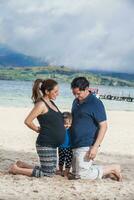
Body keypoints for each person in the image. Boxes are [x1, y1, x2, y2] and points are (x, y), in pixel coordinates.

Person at [8, 79, 65, 177]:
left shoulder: (51, 102)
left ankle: (23, 165)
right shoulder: (41, 104)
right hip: (45, 143)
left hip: (52, 144)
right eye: (55, 91)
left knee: (51, 170)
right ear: (47, 91)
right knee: (48, 174)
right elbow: (28, 121)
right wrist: (37, 129)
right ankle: (16, 169)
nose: (58, 93)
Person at [70, 77, 122, 181]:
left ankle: (113, 168)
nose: (76, 96)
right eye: (74, 93)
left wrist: (95, 147)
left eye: (78, 93)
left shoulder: (96, 103)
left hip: (87, 143)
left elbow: (104, 126)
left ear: (86, 89)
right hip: (75, 143)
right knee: (75, 174)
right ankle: (109, 173)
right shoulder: (75, 101)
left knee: (82, 175)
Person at [58, 112, 73, 178]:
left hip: (69, 147)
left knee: (68, 161)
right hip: (61, 147)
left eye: (69, 124)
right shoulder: (60, 129)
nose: (68, 125)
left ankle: (66, 173)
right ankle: (61, 171)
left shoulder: (71, 130)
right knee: (61, 160)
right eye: (65, 124)